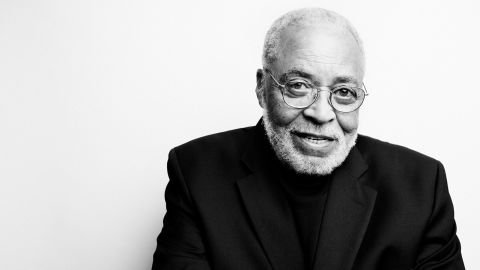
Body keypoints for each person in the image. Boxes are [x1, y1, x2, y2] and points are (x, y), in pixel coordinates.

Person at [152, 8, 464, 270]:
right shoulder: (197, 172)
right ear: (263, 88)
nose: (321, 113)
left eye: (343, 92)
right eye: (298, 85)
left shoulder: (421, 186)